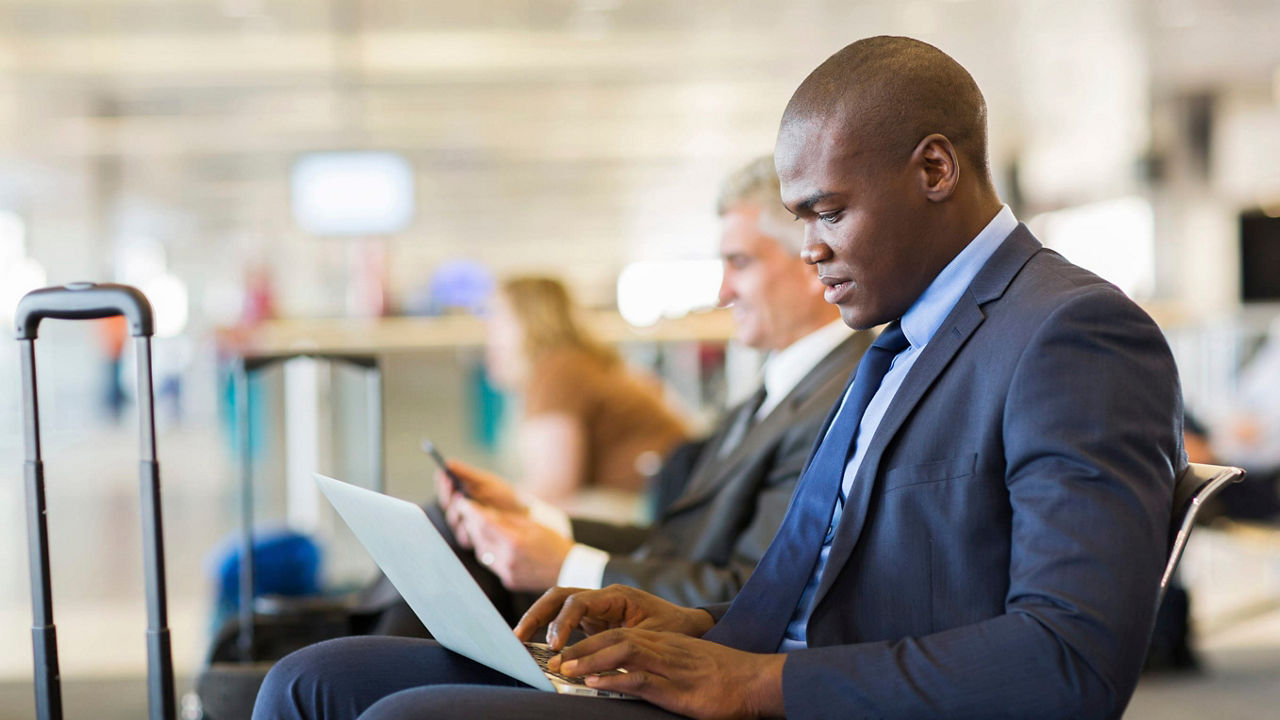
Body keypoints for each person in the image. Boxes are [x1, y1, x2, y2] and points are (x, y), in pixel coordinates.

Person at [253, 36, 1184, 720]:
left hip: (807, 705)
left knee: (401, 717)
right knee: (315, 680)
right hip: (756, 672)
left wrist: (750, 680)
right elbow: (831, 584)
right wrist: (688, 625)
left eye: (828, 213)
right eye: (798, 218)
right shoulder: (905, 339)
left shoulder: (1070, 333)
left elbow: (1070, 662)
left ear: (935, 168)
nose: (811, 250)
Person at [366, 156, 868, 638]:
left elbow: (753, 591)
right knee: (445, 532)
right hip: (652, 596)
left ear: (809, 265)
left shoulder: (840, 398)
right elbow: (675, 546)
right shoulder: (773, 391)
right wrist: (531, 515)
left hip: (674, 645)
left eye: (739, 263)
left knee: (437, 555)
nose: (721, 292)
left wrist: (564, 562)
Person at [485, 275, 689, 515]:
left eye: (498, 322)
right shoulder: (579, 363)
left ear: (529, 322)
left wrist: (484, 502)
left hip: (647, 509)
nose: (489, 336)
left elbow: (553, 488)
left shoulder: (559, 370)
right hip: (664, 500)